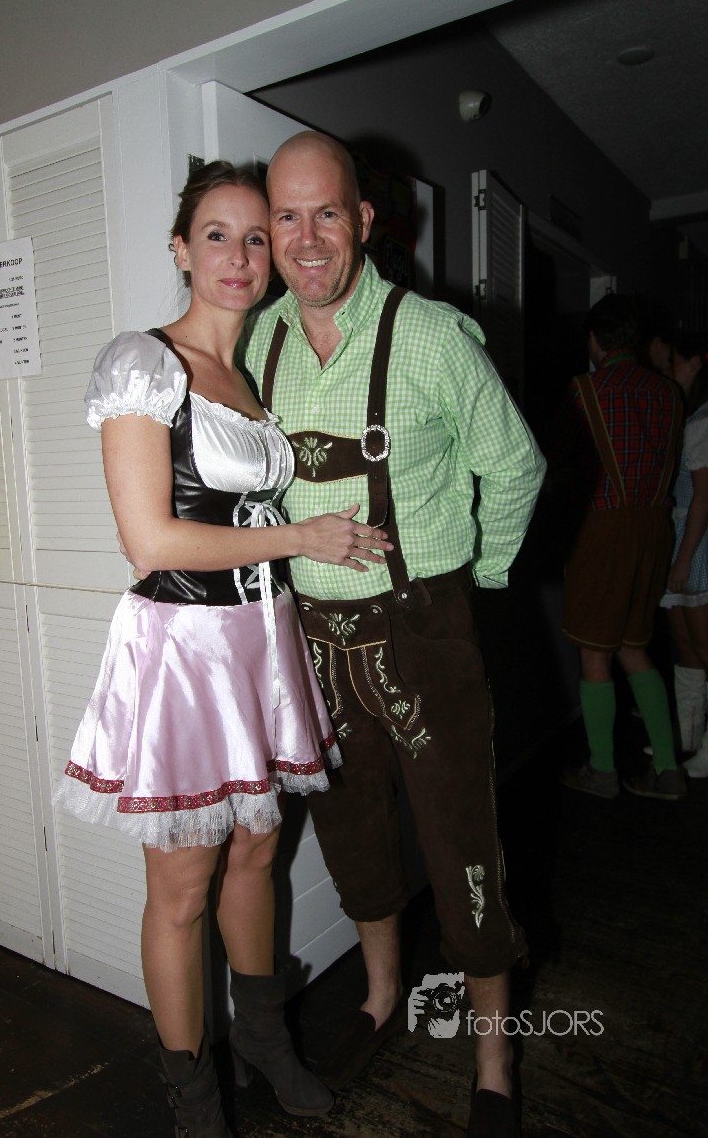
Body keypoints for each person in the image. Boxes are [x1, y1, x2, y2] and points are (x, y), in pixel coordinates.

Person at [55, 161, 394, 1138]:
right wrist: (300, 537)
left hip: (260, 639)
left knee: (258, 845)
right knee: (183, 884)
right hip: (185, 646)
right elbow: (150, 542)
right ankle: (193, 1098)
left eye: (255, 238)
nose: (240, 257)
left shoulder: (251, 377)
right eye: (217, 235)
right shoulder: (143, 362)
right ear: (180, 249)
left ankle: (265, 1040)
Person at [241, 130, 546, 1138]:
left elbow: (515, 465)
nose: (306, 238)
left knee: (463, 844)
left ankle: (493, 1059)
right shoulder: (257, 344)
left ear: (363, 220)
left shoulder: (431, 336)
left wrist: (480, 575)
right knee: (351, 833)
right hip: (311, 637)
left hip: (424, 628)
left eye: (327, 212)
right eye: (287, 216)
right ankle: (380, 997)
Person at [559, 294, 686, 802]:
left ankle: (603, 770)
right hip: (654, 527)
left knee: (595, 652)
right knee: (634, 646)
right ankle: (669, 769)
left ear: (595, 340)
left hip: (606, 528)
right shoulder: (669, 392)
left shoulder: (584, 390)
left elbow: (564, 469)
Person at [659, 333, 708, 777]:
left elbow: (703, 498)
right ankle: (688, 738)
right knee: (686, 645)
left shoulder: (702, 421)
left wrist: (683, 557)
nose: (668, 369)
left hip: (696, 542)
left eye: (674, 360)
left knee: (703, 645)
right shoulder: (691, 415)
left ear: (694, 364)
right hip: (683, 538)